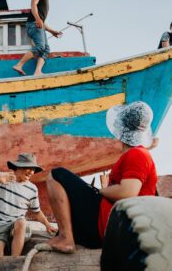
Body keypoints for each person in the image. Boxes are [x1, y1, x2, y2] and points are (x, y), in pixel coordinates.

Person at [46, 101, 158, 253]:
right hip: (114, 227)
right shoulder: (139, 155)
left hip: (109, 226)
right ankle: (65, 234)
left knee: (56, 174)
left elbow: (127, 192)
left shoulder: (137, 153)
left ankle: (67, 238)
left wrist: (100, 191)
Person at [0, 153, 57, 256]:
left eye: (34, 169)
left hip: (17, 229)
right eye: (29, 168)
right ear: (18, 167)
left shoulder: (32, 189)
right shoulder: (3, 181)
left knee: (21, 222)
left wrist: (47, 225)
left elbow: (36, 212)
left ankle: (15, 259)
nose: (32, 172)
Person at [13, 0, 63, 76]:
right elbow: (33, 5)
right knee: (40, 47)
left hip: (38, 25)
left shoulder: (46, 0)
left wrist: (52, 31)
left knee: (46, 50)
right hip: (33, 24)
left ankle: (37, 72)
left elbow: (42, 22)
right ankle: (19, 65)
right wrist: (37, 19)